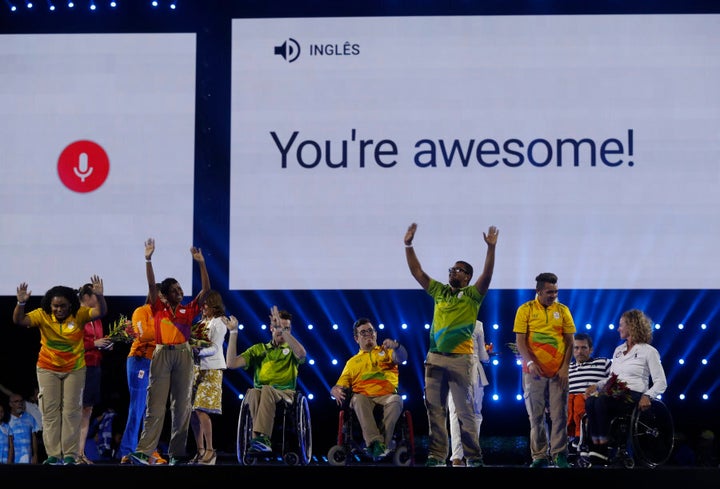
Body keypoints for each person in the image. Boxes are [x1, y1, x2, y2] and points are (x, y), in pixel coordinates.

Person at [404, 222, 498, 468]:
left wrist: (491, 248)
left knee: (465, 412)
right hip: (435, 358)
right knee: (434, 410)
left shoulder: (473, 296)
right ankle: (437, 456)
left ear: (467, 277)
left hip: (461, 360)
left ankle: (473, 457)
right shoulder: (439, 292)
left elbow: (487, 276)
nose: (452, 273)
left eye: (458, 270)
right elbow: (417, 272)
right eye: (451, 269)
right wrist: (408, 245)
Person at [130, 238, 211, 465]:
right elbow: (151, 285)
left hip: (183, 355)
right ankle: (144, 452)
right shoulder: (158, 308)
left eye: (180, 288)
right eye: (174, 290)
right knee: (155, 404)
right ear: (165, 295)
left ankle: (176, 453)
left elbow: (206, 290)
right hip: (162, 354)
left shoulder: (188, 309)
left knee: (181, 406)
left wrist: (201, 263)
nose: (180, 291)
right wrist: (148, 259)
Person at [13, 276, 108, 465]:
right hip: (48, 368)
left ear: (70, 305)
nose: (58, 309)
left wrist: (99, 296)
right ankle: (54, 456)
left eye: (62, 306)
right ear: (50, 304)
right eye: (55, 306)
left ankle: (70, 455)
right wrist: (20, 303)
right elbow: (19, 320)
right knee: (50, 412)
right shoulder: (43, 314)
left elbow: (100, 312)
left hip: (74, 368)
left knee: (72, 411)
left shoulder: (79, 314)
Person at [583, 309, 668, 466]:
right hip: (615, 393)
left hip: (635, 395)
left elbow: (661, 381)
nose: (618, 328)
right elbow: (612, 378)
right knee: (590, 402)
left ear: (632, 326)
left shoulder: (648, 351)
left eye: (621, 325)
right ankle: (595, 446)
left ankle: (603, 449)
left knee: (601, 401)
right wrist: (596, 385)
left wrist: (648, 396)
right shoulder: (618, 351)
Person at [513, 272, 576, 468]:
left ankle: (559, 455)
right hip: (533, 373)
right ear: (538, 291)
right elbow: (520, 341)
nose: (553, 295)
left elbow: (570, 341)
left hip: (558, 372)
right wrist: (530, 363)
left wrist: (565, 368)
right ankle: (539, 456)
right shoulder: (525, 310)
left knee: (559, 415)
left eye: (556, 292)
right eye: (549, 292)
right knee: (536, 415)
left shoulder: (563, 310)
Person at [225, 305, 307, 454]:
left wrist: (282, 328)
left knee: (266, 390)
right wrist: (233, 332)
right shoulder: (259, 349)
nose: (282, 331)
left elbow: (301, 354)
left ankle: (262, 438)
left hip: (286, 394)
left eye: (287, 328)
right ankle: (257, 441)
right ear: (271, 328)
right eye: (278, 327)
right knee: (253, 392)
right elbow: (231, 364)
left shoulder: (292, 350)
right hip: (262, 393)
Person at [330, 317, 408, 459]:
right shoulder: (352, 362)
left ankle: (379, 446)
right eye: (363, 332)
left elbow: (402, 358)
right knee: (358, 399)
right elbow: (340, 385)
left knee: (397, 400)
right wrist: (334, 390)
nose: (368, 335)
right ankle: (376, 443)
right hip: (363, 397)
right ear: (356, 338)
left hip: (387, 395)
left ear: (376, 334)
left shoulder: (387, 351)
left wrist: (396, 346)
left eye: (370, 331)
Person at [117, 287, 166, 464]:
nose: (164, 299)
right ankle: (128, 451)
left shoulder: (167, 314)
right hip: (139, 361)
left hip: (158, 363)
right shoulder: (141, 311)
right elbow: (143, 335)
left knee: (153, 410)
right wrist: (169, 332)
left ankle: (149, 450)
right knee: (137, 407)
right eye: (161, 295)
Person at [188, 290, 230, 465]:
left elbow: (214, 347)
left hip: (211, 369)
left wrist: (198, 351)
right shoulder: (202, 322)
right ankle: (200, 450)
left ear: (213, 304)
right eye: (202, 304)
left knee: (201, 409)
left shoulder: (219, 323)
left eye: (205, 304)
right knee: (192, 412)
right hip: (197, 369)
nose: (202, 307)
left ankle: (211, 451)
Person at [77, 282, 114, 464]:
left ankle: (80, 453)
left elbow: (97, 340)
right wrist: (93, 344)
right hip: (79, 368)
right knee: (76, 411)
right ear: (85, 297)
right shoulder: (77, 317)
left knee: (87, 410)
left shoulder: (97, 318)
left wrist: (105, 344)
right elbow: (70, 346)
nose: (98, 298)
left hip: (94, 367)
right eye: (95, 295)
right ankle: (70, 453)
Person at [447, 320, 490, 466]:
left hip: (453, 369)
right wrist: (487, 354)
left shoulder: (446, 320)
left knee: (455, 414)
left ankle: (457, 457)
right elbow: (483, 355)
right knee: (475, 414)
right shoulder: (477, 324)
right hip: (473, 370)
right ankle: (471, 456)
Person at [566, 332, 611, 454]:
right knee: (568, 401)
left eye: (583, 347)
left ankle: (579, 438)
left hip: (593, 402)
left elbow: (616, 378)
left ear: (591, 349)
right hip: (569, 404)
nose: (579, 351)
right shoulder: (567, 368)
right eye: (576, 348)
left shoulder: (603, 363)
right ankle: (569, 440)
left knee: (580, 401)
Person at [7, 393, 39, 464]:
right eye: (16, 401)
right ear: (10, 404)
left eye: (21, 401)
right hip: (13, 461)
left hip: (29, 460)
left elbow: (34, 437)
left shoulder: (30, 417)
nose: (20, 403)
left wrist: (35, 455)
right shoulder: (7, 419)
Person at [0, 400, 14, 464]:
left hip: (5, 462)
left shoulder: (7, 427)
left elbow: (11, 446)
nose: (0, 413)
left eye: (1, 412)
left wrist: (9, 459)